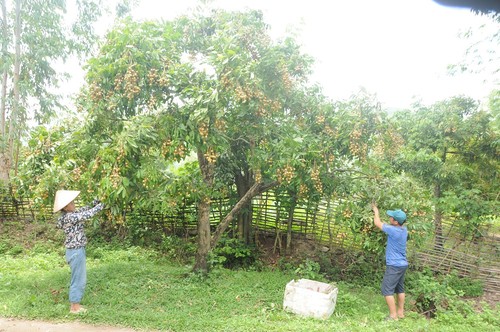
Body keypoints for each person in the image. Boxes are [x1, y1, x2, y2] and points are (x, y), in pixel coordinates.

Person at [53, 190, 104, 314]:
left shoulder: (67, 216)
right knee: (78, 279)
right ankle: (75, 307)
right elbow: (88, 214)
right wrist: (102, 205)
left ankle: (75, 305)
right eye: (72, 203)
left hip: (75, 251)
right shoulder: (70, 217)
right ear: (66, 207)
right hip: (76, 252)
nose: (74, 204)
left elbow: (84, 209)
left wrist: (96, 201)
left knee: (78, 277)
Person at [371, 202, 408, 321]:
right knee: (400, 289)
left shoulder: (393, 230)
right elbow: (387, 225)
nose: (390, 217)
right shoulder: (403, 230)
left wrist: (376, 211)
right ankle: (400, 313)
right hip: (402, 264)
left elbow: (377, 223)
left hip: (394, 265)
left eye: (391, 217)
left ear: (396, 222)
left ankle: (393, 316)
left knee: (387, 291)